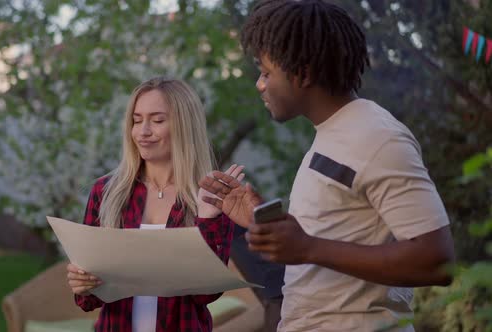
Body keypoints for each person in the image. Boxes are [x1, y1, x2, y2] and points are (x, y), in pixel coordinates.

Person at [199, 1, 455, 331]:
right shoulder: (333, 133)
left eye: (266, 73)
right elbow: (335, 233)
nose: (260, 85)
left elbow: (436, 262)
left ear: (303, 74)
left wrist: (308, 248)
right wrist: (260, 221)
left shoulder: (377, 137)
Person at [66, 77, 244, 332]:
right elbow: (87, 300)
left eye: (157, 120)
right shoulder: (106, 193)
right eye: (137, 120)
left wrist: (207, 219)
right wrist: (83, 283)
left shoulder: (209, 196)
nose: (143, 131)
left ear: (184, 126)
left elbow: (206, 295)